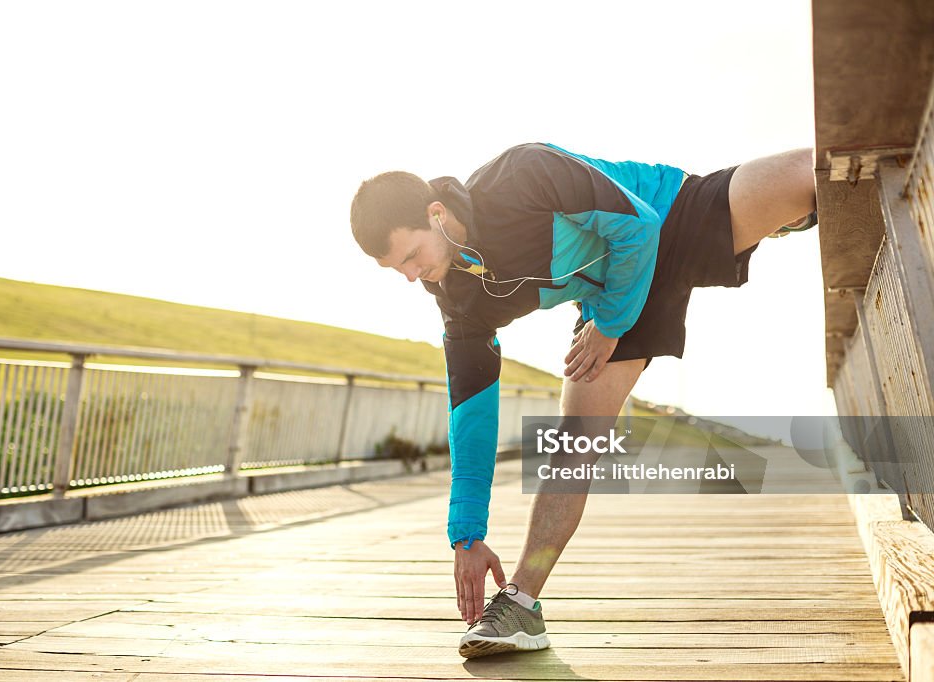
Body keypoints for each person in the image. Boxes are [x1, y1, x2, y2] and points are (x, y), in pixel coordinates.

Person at [348, 142, 817, 658]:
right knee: (572, 444)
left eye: (412, 256)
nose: (412, 276)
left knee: (811, 171)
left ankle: (787, 215)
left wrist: (611, 326)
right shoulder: (459, 301)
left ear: (436, 215)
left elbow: (636, 225)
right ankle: (521, 607)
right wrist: (466, 534)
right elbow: (470, 414)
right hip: (613, 295)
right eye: (399, 270)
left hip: (667, 213)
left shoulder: (522, 173)